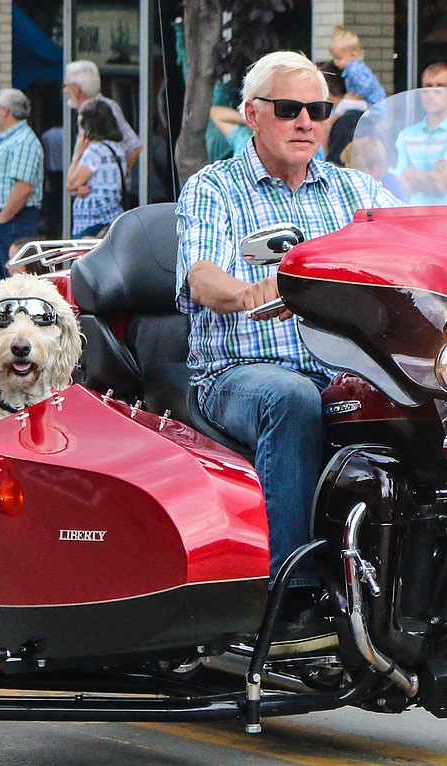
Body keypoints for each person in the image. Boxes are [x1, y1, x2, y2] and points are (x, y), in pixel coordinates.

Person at [176, 51, 402, 650]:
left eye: (319, 109)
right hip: (241, 373)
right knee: (290, 397)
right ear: (253, 114)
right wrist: (252, 291)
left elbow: (418, 241)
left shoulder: (357, 190)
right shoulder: (214, 188)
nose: (306, 121)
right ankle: (291, 595)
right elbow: (202, 277)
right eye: (289, 109)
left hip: (347, 370)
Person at [391, 63, 447, 206]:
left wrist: (411, 174)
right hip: (410, 220)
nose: (431, 95)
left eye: (439, 88)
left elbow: (440, 186)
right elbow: (395, 186)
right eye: (427, 88)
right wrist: (431, 176)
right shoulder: (406, 135)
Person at [0, 89, 43, 276]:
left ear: (5, 111)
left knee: (14, 277)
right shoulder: (9, 139)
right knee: (1, 276)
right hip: (6, 218)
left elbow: (23, 188)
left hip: (15, 220)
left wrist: (0, 222)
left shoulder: (24, 141)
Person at [63, 60, 142, 172]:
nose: (65, 90)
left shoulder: (106, 108)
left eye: (66, 85)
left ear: (77, 89)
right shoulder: (85, 111)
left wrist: (116, 177)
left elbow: (135, 148)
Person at [67, 99, 126, 238]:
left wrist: (77, 154)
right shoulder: (117, 148)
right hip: (112, 214)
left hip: (91, 220)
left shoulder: (94, 152)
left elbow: (70, 183)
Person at [328, 24, 386, 108]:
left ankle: (330, 121)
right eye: (334, 58)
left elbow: (366, 88)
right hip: (374, 104)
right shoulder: (356, 67)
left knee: (344, 104)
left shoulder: (354, 70)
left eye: (339, 58)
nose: (335, 62)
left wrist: (355, 97)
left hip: (373, 104)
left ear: (353, 55)